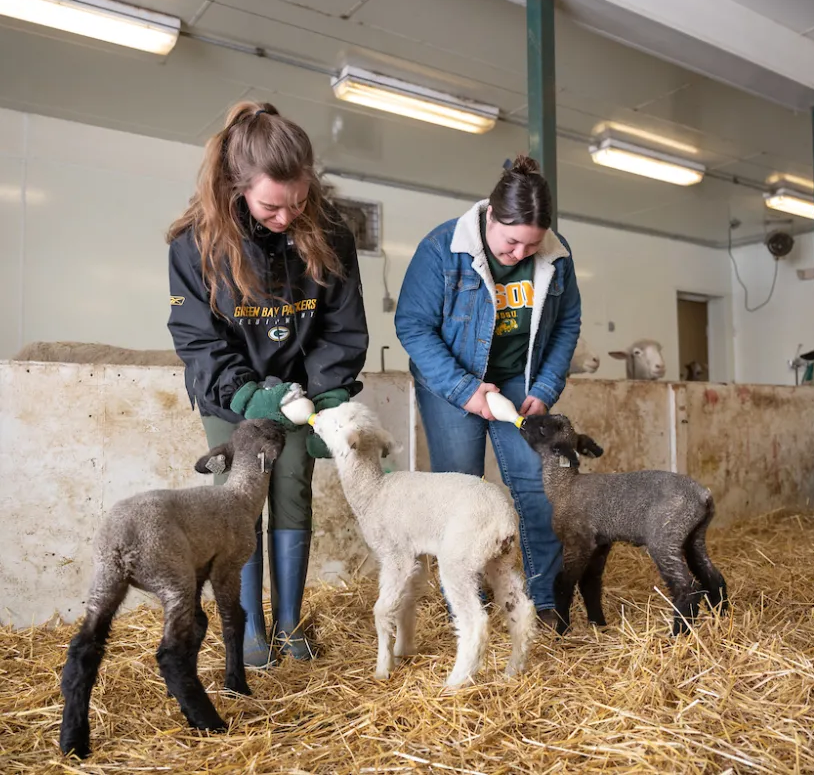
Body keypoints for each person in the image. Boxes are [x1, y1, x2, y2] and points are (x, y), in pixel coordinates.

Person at [166, 101, 369, 667]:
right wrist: (245, 394)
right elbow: (196, 336)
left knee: (291, 492)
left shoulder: (328, 232)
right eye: (271, 206)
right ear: (237, 187)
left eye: (298, 201)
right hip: (231, 394)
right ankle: (249, 628)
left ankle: (289, 624)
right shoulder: (195, 243)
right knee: (238, 501)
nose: (287, 217)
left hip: (304, 390)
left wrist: (326, 390)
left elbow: (343, 324)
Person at [394, 155, 581, 628]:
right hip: (450, 377)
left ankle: (546, 600)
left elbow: (567, 325)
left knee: (538, 485)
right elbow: (413, 325)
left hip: (519, 376)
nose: (519, 253)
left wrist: (545, 385)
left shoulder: (557, 257)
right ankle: (467, 602)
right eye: (512, 240)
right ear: (491, 217)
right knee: (461, 489)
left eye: (531, 245)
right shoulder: (442, 247)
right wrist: (463, 388)